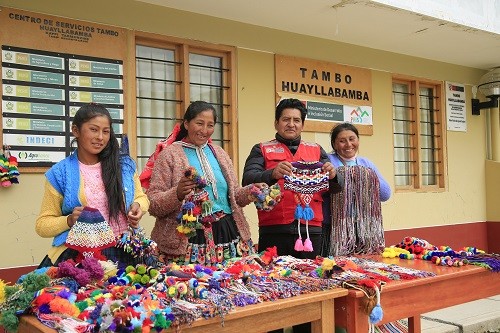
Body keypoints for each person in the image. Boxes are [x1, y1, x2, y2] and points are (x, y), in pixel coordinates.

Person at [36, 103, 150, 268]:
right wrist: (69, 220)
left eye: (106, 131)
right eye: (93, 130)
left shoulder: (124, 166)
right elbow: (42, 225)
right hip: (80, 255)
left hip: (126, 250)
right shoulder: (61, 173)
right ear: (76, 131)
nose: (100, 138)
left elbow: (141, 197)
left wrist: (138, 206)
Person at [147, 101, 261, 265]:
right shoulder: (169, 155)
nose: (204, 130)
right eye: (199, 123)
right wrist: (177, 193)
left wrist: (252, 191)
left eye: (210, 125)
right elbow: (153, 203)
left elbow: (234, 196)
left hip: (228, 234)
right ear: (186, 123)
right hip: (187, 239)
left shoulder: (219, 153)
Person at [322, 122, 391, 257]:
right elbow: (323, 189)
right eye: (342, 141)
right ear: (334, 144)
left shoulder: (366, 163)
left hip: (362, 229)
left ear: (358, 140)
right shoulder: (328, 161)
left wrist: (364, 176)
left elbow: (385, 194)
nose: (348, 144)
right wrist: (350, 176)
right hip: (334, 230)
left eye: (352, 139)